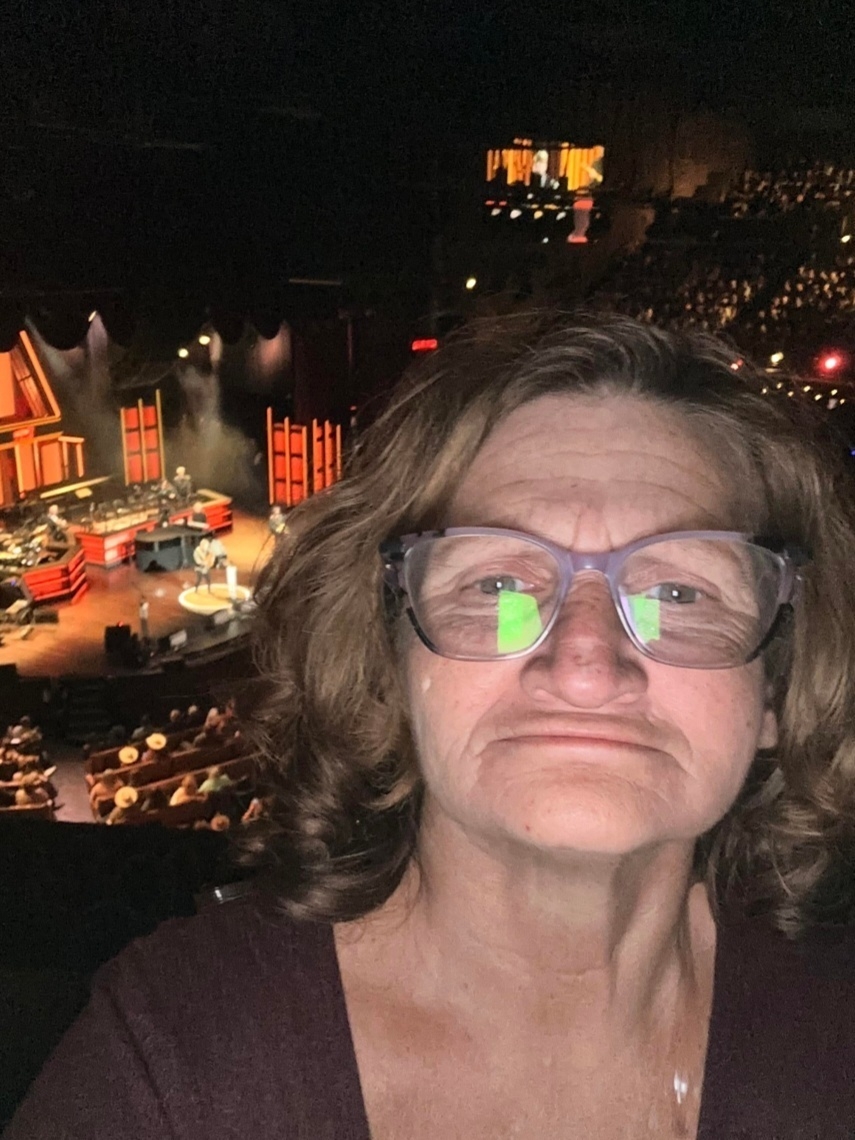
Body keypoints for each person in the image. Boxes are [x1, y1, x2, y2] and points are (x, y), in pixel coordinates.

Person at [10, 313, 855, 1139]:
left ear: (776, 686)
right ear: (388, 659)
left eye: (678, 593)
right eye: (496, 586)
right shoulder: (170, 1066)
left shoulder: (833, 1031)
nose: (586, 666)